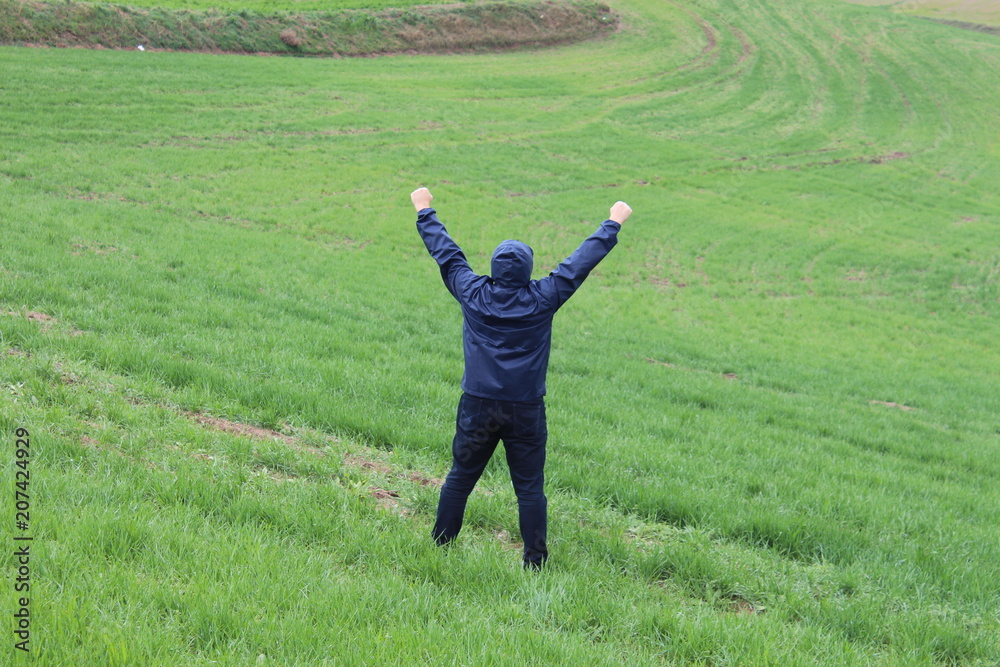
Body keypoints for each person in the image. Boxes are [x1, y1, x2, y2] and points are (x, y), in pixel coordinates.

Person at [412, 187, 631, 569]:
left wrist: (423, 210)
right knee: (529, 489)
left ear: (494, 267)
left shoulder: (473, 292)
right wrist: (612, 222)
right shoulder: (543, 297)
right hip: (526, 409)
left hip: (477, 405)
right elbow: (578, 264)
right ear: (528, 270)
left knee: (460, 478)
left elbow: (447, 254)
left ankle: (440, 549)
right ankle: (535, 563)